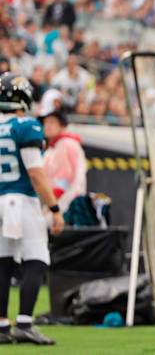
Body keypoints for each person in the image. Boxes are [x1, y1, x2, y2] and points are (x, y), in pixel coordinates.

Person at [0, 73, 64, 345]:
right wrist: (54, 207)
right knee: (36, 258)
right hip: (20, 199)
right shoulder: (26, 125)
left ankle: (2, 326)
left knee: (3, 262)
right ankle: (24, 322)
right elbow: (36, 174)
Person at [39, 109, 86, 214]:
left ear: (63, 125)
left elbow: (64, 179)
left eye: (52, 122)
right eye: (45, 122)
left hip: (64, 206)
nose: (47, 126)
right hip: (57, 204)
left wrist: (52, 206)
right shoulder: (55, 147)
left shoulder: (66, 145)